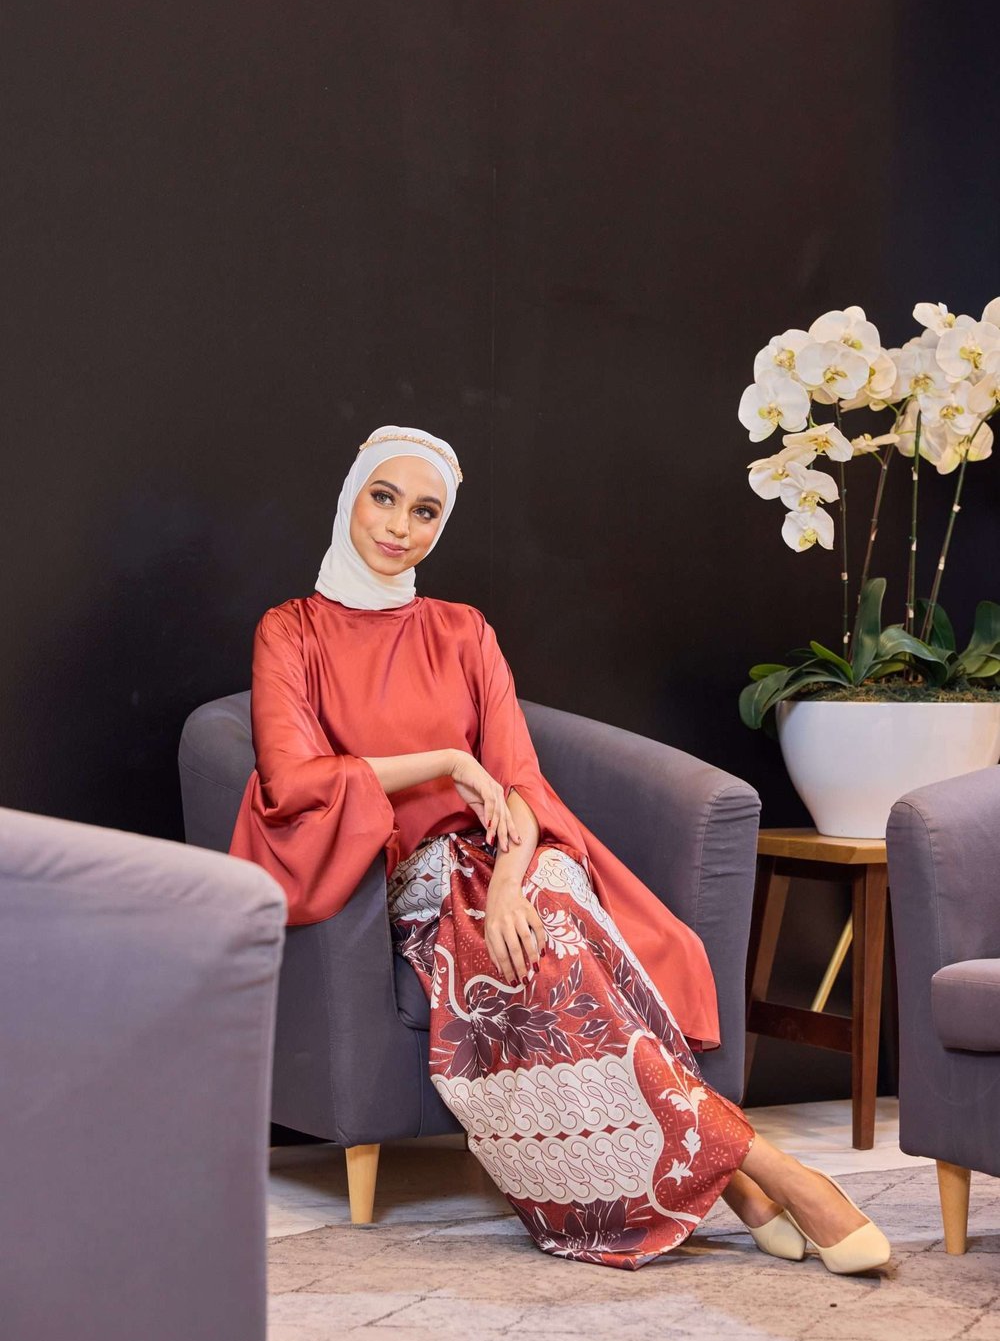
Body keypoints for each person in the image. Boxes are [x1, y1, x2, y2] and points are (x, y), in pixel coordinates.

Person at [230, 424, 891, 1273]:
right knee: (551, 948)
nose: (399, 525)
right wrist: (445, 761)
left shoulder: (463, 630)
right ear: (350, 497)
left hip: (509, 857)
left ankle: (740, 1179)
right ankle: (776, 1173)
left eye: (425, 511)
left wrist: (510, 880)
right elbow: (294, 781)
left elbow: (521, 781)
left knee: (551, 915)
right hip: (413, 878)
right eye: (383, 498)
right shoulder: (291, 631)